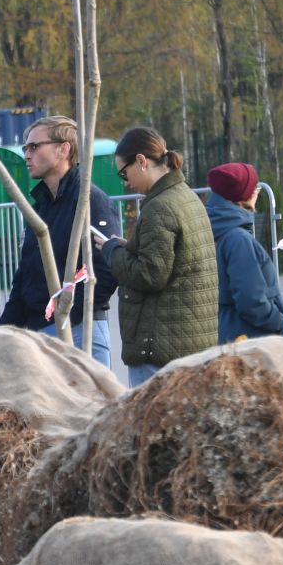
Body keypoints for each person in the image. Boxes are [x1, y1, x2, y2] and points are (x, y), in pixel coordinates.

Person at [94, 126, 216, 386]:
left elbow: (149, 275)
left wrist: (111, 251)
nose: (125, 182)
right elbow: (176, 259)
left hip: (159, 350)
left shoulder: (159, 207)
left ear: (141, 161)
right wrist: (131, 246)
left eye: (124, 173)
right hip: (188, 343)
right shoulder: (186, 197)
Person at [0, 114, 120, 365]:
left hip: (78, 332)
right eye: (25, 148)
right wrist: (1, 332)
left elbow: (106, 269)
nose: (26, 155)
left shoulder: (90, 201)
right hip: (41, 334)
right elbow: (26, 276)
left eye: (34, 146)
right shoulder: (40, 208)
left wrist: (64, 317)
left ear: (63, 150)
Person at [206, 162, 283, 344]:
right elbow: (251, 300)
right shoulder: (237, 239)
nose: (257, 191)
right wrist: (279, 322)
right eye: (254, 186)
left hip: (226, 334)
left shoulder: (213, 228)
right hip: (248, 339)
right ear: (243, 194)